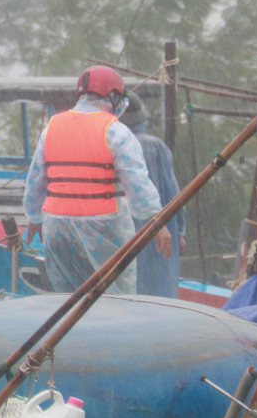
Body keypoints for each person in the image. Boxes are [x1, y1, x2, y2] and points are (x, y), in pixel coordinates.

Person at [23, 66, 171, 295]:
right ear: (113, 97)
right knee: (115, 300)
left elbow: (35, 179)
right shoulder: (116, 131)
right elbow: (137, 182)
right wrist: (157, 221)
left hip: (57, 228)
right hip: (104, 228)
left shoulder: (52, 127)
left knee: (68, 300)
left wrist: (34, 217)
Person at [120, 91, 186, 297]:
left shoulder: (114, 145)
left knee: (129, 290)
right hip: (161, 230)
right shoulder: (157, 146)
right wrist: (180, 232)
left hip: (125, 232)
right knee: (161, 293)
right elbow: (173, 191)